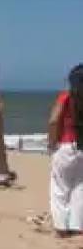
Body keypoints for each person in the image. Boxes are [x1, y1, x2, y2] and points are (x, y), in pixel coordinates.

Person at [47, 64, 83, 239]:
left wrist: (52, 143)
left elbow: (54, 120)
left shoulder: (66, 97)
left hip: (66, 145)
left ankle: (61, 227)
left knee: (59, 187)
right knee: (79, 187)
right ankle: (77, 226)